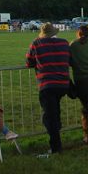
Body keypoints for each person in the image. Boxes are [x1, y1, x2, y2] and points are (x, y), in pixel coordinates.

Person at [26, 22, 70, 154]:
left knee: (49, 117)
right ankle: (57, 130)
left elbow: (29, 62)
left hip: (47, 84)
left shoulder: (37, 43)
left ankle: (56, 147)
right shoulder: (64, 42)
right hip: (63, 84)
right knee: (54, 112)